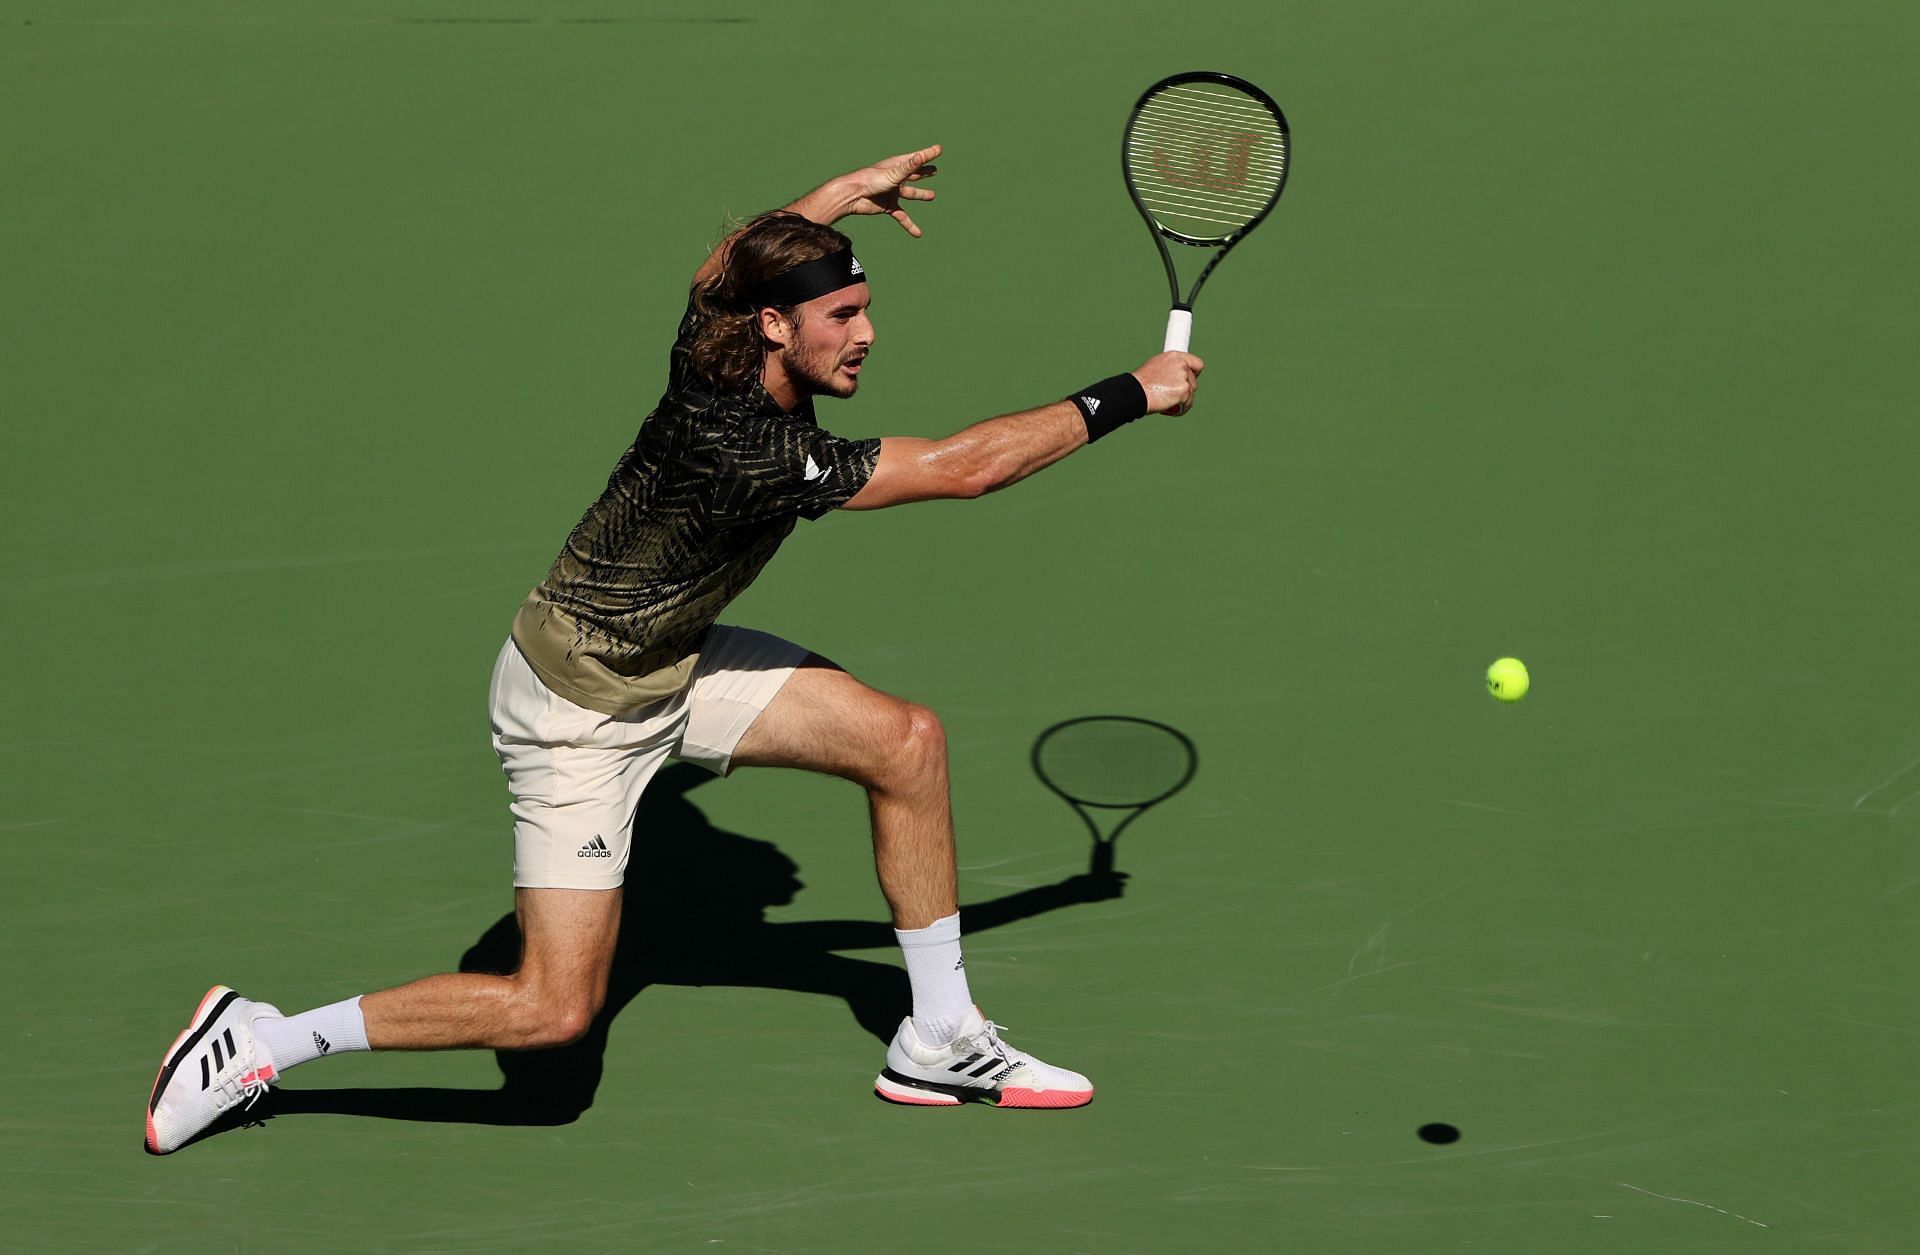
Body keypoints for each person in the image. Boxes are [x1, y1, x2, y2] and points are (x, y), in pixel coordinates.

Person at [144, 146, 1203, 1153]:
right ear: (779, 328)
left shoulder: (714, 330)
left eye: (868, 307)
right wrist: (1133, 392)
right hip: (576, 710)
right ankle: (261, 1039)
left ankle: (939, 1039)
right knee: (551, 1011)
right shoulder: (755, 453)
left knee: (905, 743)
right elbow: (967, 468)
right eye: (843, 315)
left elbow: (723, 266)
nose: (867, 332)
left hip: (674, 663)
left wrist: (835, 194)